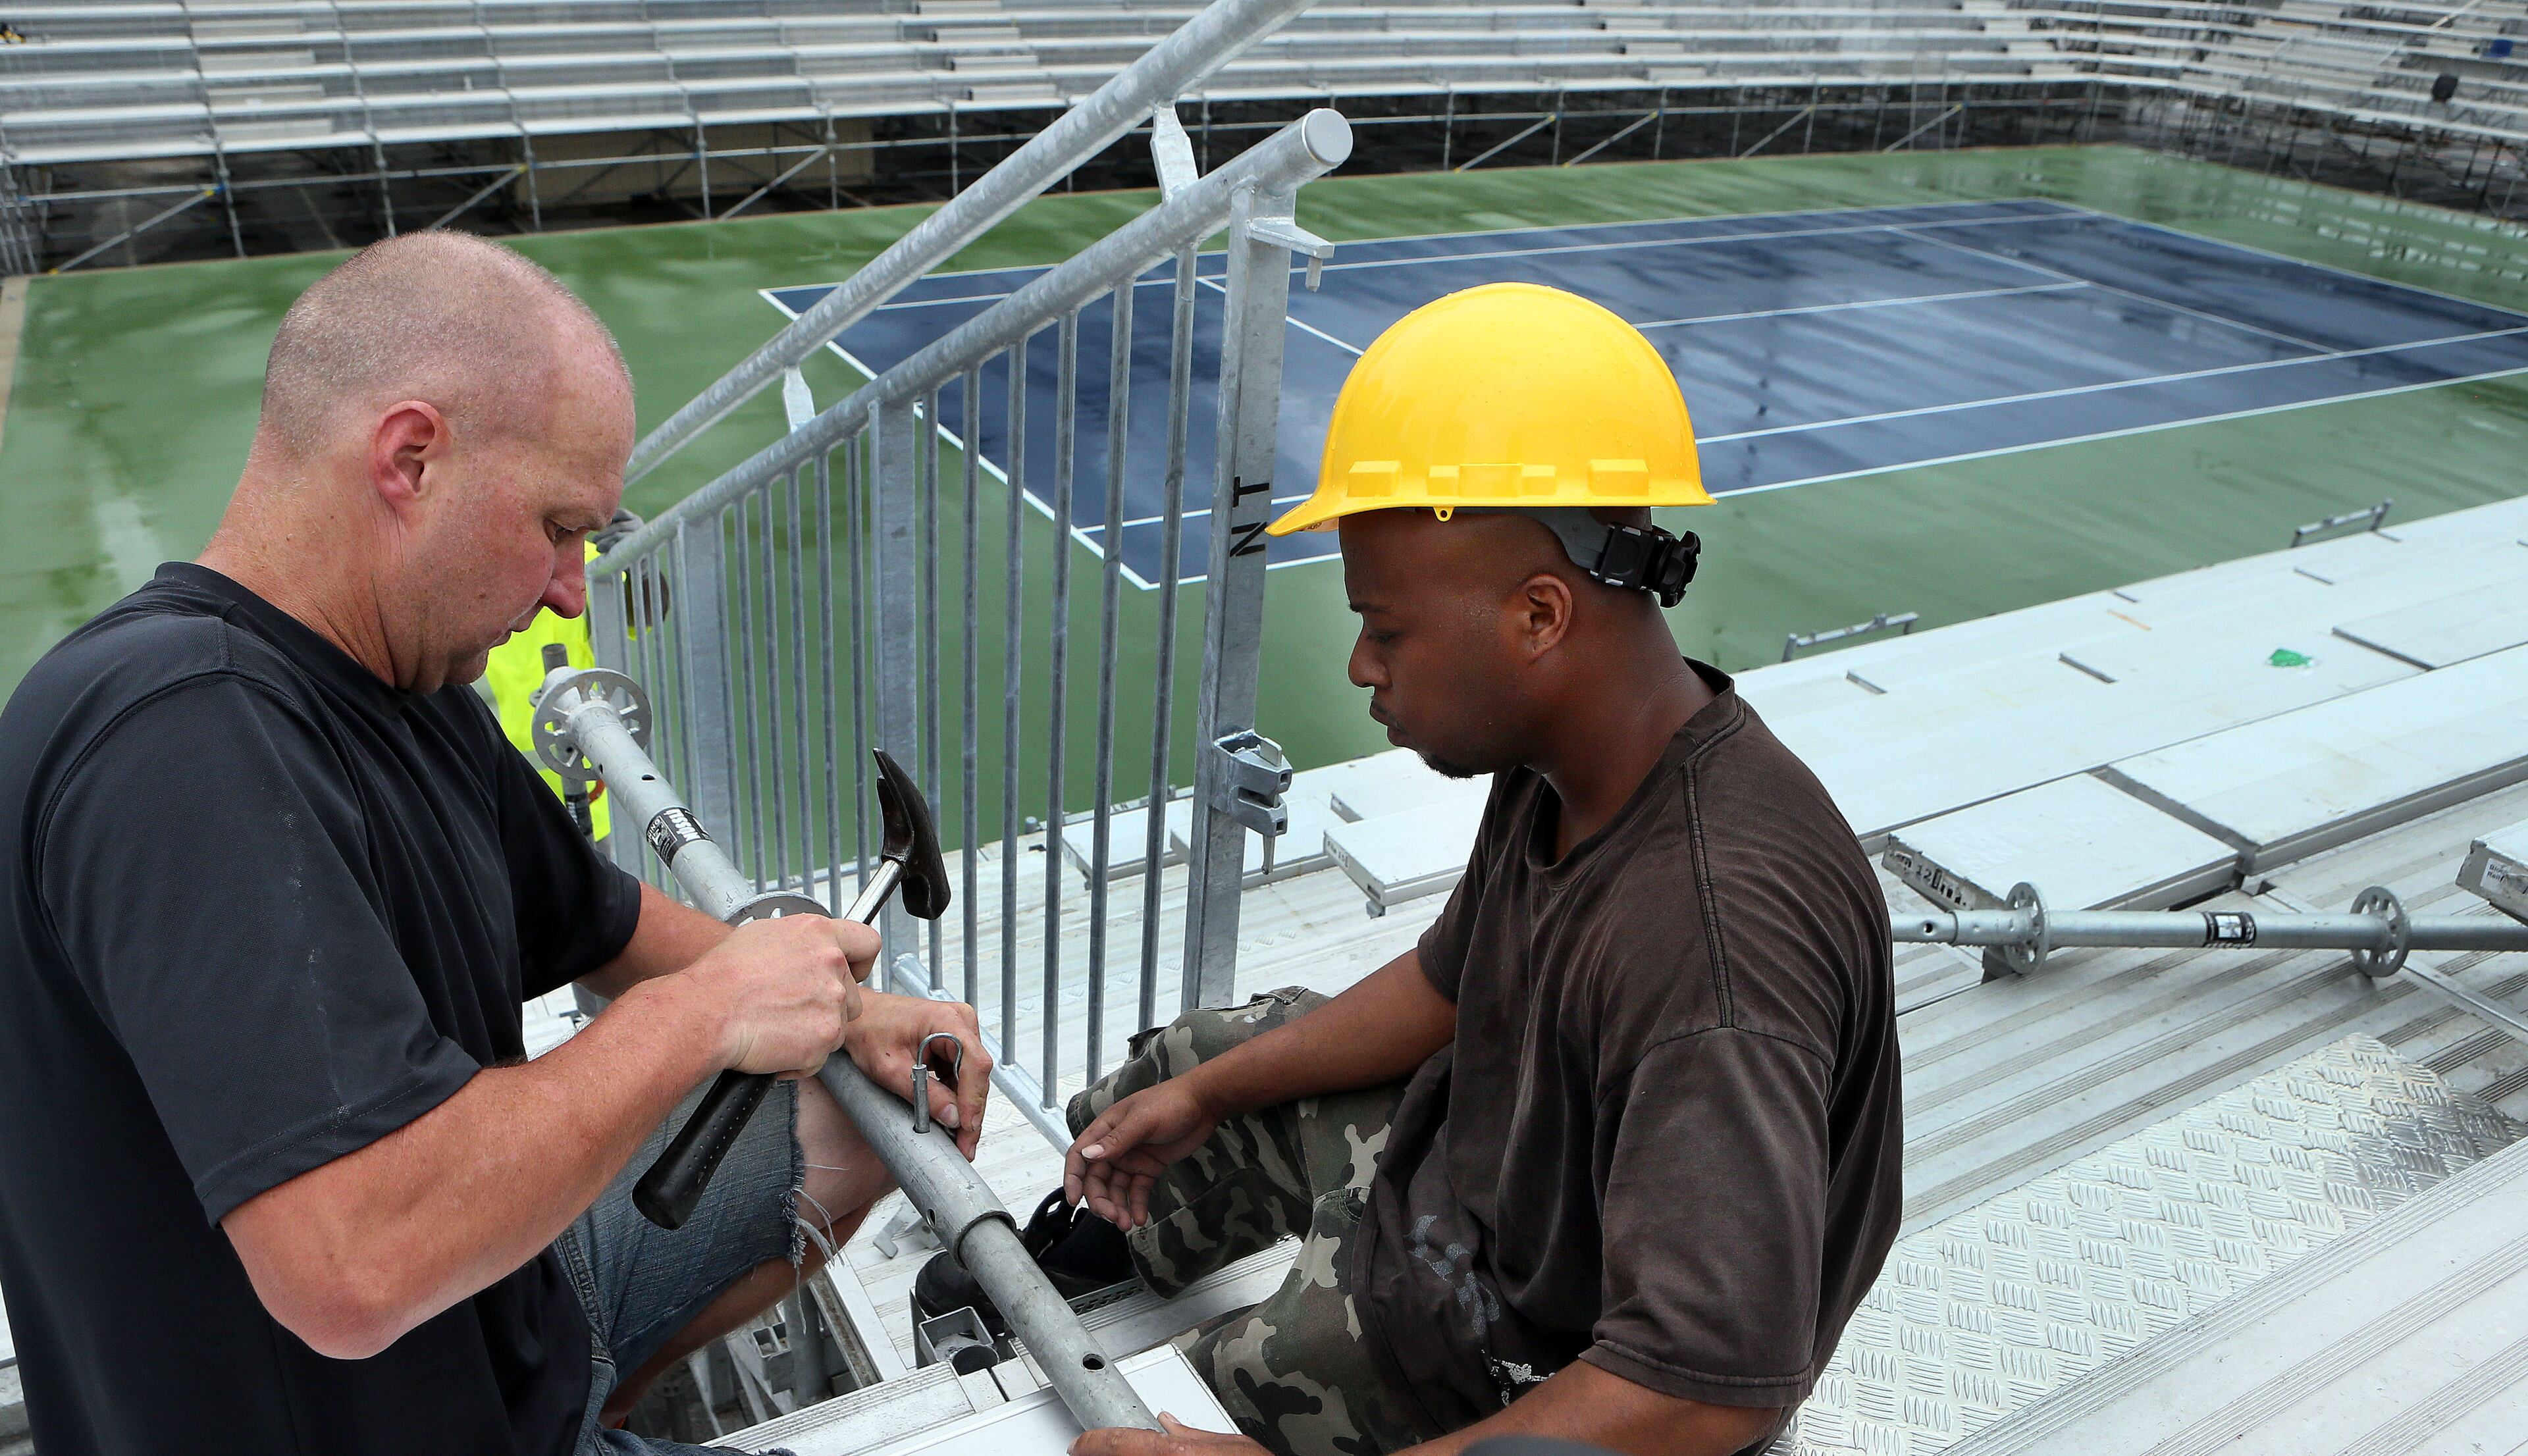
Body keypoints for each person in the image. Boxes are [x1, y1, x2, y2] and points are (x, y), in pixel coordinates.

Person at [0, 230, 989, 1456]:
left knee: (865, 1113)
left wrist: (843, 1017)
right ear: (411, 458)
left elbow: (606, 922)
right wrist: (708, 1012)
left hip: (496, 1328)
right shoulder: (176, 743)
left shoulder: (413, 689)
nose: (576, 589)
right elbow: (354, 1267)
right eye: (561, 526)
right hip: (367, 1395)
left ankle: (592, 1391)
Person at [984, 284, 1901, 1456]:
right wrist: (1208, 1095)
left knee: (1221, 1390)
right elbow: (1449, 983)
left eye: (1389, 627)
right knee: (1183, 1070)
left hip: (1558, 1355)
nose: (1362, 663)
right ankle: (1094, 1251)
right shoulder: (1575, 753)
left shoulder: (1712, 943)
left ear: (1538, 616)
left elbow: (1709, 1388)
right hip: (1510, 1182)